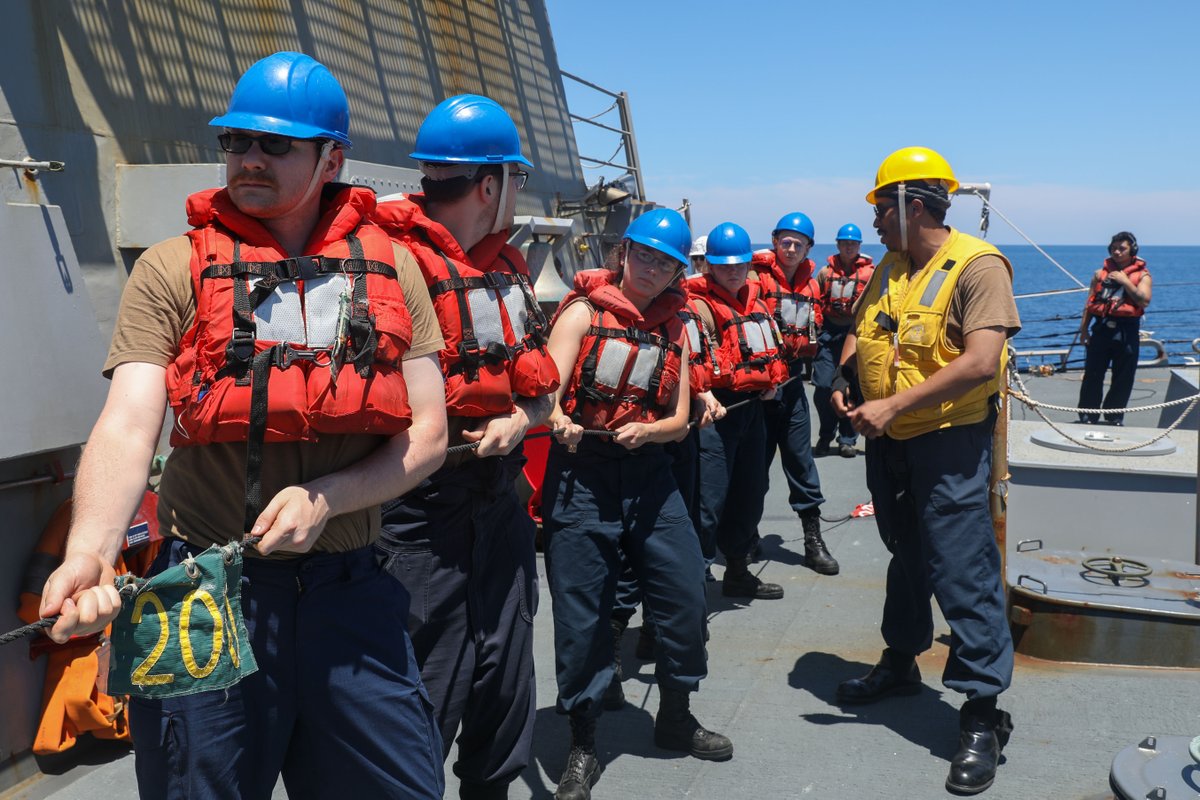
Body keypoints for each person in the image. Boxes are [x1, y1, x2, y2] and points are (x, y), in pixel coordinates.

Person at [37, 52, 449, 798]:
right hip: (202, 594)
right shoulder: (170, 268)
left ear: (333, 158)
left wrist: (328, 497)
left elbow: (426, 437)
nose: (248, 159)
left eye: (276, 145)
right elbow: (129, 424)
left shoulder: (395, 270)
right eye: (236, 141)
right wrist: (91, 553)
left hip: (349, 593)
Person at [370, 94, 560, 799]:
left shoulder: (504, 269)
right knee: (421, 703)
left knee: (505, 695)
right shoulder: (389, 269)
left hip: (500, 511)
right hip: (418, 523)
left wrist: (523, 417)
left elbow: (541, 381)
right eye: (518, 182)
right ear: (494, 184)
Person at [831, 147, 1019, 795]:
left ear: (914, 205)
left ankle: (981, 713)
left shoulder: (978, 266)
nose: (875, 222)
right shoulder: (891, 263)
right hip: (892, 440)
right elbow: (868, 330)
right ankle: (901, 660)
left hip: (946, 440)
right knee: (906, 553)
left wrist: (892, 405)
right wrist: (844, 376)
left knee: (960, 566)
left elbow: (979, 361)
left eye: (882, 208)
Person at [542, 209, 732, 800]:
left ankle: (675, 713)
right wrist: (559, 421)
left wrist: (650, 434)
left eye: (666, 261)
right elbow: (546, 396)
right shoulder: (581, 312)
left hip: (652, 477)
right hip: (583, 478)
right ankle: (582, 740)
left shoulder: (675, 326)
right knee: (581, 617)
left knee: (684, 593)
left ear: (679, 270)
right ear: (623, 252)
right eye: (644, 255)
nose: (652, 269)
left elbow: (678, 420)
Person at [691, 222, 789, 600]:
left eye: (739, 264)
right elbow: (691, 360)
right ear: (709, 267)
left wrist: (771, 381)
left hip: (752, 412)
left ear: (749, 264)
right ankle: (692, 588)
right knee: (709, 499)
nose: (733, 271)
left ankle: (736, 571)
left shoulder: (758, 302)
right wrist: (702, 393)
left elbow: (770, 351)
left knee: (751, 492)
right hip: (715, 415)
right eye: (724, 264)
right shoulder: (698, 307)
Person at [752, 213, 838, 575]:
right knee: (753, 471)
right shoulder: (754, 280)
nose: (790, 248)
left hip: (791, 390)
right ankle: (744, 536)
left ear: (807, 249)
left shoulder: (812, 286)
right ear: (774, 242)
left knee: (802, 464)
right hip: (756, 394)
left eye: (797, 243)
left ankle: (812, 539)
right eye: (784, 241)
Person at [1076, 232, 1152, 425]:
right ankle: (1088, 414)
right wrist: (1084, 331)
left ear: (1132, 250)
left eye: (1122, 248)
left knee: (1124, 375)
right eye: (1114, 248)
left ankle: (1114, 415)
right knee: (1093, 372)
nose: (1117, 252)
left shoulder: (1143, 276)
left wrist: (1125, 281)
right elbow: (1090, 303)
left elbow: (1144, 300)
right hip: (1101, 328)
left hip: (1127, 330)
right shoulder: (1099, 274)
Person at [813, 223, 875, 457]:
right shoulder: (824, 273)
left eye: (853, 243)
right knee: (822, 386)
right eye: (844, 243)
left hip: (855, 333)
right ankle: (825, 434)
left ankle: (847, 439)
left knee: (853, 389)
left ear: (859, 246)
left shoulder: (870, 274)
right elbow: (816, 302)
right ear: (838, 245)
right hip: (828, 334)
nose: (849, 247)